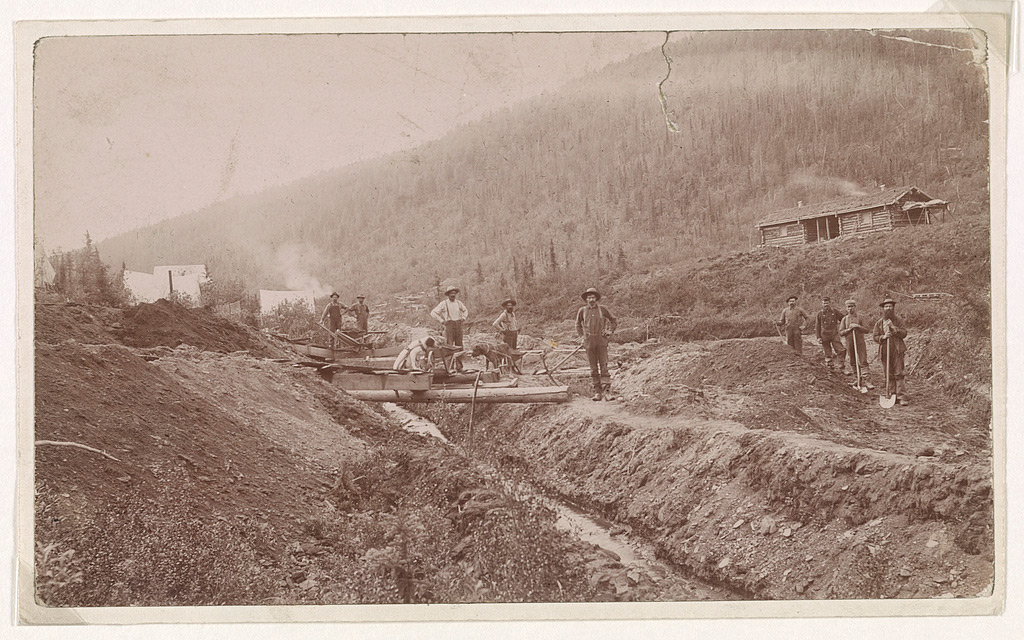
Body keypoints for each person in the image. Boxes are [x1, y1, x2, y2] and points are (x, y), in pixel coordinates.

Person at [575, 287, 617, 401]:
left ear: (596, 298)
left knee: (604, 366)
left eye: (593, 297)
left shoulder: (603, 309)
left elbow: (613, 320)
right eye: (589, 297)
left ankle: (607, 392)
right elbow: (578, 324)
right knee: (593, 368)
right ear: (586, 299)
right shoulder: (582, 311)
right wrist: (581, 337)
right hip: (589, 341)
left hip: (601, 340)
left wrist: (610, 331)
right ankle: (597, 393)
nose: (591, 299)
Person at [873, 297, 909, 405]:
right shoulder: (879, 323)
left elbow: (904, 333)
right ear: (883, 309)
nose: (888, 308)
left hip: (897, 349)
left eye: (890, 306)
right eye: (886, 306)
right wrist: (883, 337)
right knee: (888, 373)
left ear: (893, 307)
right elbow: (875, 336)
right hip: (885, 349)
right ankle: (892, 394)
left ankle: (902, 396)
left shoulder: (899, 320)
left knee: (899, 373)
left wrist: (894, 328)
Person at [838, 299, 874, 389]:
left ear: (855, 307)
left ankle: (867, 381)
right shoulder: (844, 319)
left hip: (860, 342)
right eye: (848, 307)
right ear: (846, 308)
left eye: (851, 307)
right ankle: (857, 379)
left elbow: (867, 330)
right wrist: (849, 329)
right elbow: (841, 332)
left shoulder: (860, 317)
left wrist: (858, 326)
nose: (850, 309)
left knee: (863, 361)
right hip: (849, 342)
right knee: (852, 361)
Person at [814, 296, 847, 373]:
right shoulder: (819, 313)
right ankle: (830, 367)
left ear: (830, 303)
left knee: (841, 350)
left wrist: (849, 319)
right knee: (827, 351)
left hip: (834, 333)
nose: (826, 304)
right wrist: (818, 337)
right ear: (822, 304)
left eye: (827, 303)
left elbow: (843, 318)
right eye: (824, 303)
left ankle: (841, 367)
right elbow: (817, 326)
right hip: (824, 335)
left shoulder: (835, 311)